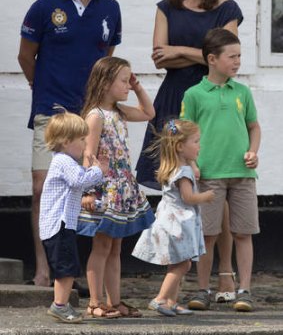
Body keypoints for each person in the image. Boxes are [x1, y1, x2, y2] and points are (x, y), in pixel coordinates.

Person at [135, 0, 243, 299]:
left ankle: (225, 275)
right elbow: (159, 59)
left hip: (214, 102)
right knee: (177, 192)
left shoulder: (226, 7)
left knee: (217, 189)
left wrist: (181, 49)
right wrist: (202, 54)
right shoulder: (166, 6)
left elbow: (225, 56)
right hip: (173, 102)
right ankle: (180, 281)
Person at [17, 0, 121, 288]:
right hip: (52, 111)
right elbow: (25, 56)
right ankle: (45, 269)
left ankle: (74, 271)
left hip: (88, 115)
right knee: (42, 186)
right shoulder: (45, 7)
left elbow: (106, 63)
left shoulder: (110, 9)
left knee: (88, 190)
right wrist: (42, 88)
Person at [181, 28, 261, 312]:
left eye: (240, 56)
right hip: (209, 175)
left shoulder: (243, 92)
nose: (238, 62)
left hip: (243, 174)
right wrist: (191, 163)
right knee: (207, 235)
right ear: (212, 59)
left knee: (244, 233)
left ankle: (245, 290)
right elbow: (182, 133)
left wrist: (253, 151)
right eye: (232, 57)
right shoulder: (194, 95)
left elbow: (254, 126)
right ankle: (202, 289)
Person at [76, 56, 155, 318]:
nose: (128, 86)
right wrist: (88, 190)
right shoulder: (95, 116)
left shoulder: (119, 112)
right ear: (106, 82)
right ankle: (94, 301)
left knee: (115, 248)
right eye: (124, 81)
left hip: (122, 188)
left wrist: (138, 86)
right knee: (101, 247)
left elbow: (148, 113)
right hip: (104, 189)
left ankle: (115, 300)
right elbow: (88, 153)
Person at [132, 119, 215, 316]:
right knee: (184, 263)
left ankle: (171, 301)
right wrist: (206, 196)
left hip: (168, 219)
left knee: (176, 262)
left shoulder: (173, 167)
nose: (199, 146)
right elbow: (188, 197)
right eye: (195, 141)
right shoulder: (183, 172)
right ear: (179, 146)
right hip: (178, 223)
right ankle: (160, 298)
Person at [39, 111, 106, 323]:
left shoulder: (65, 162)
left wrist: (95, 203)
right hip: (59, 226)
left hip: (61, 225)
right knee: (66, 268)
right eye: (82, 139)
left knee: (66, 266)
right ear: (66, 141)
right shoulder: (63, 161)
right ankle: (59, 305)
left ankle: (62, 303)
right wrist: (97, 171)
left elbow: (73, 192)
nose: (86, 144)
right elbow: (79, 181)